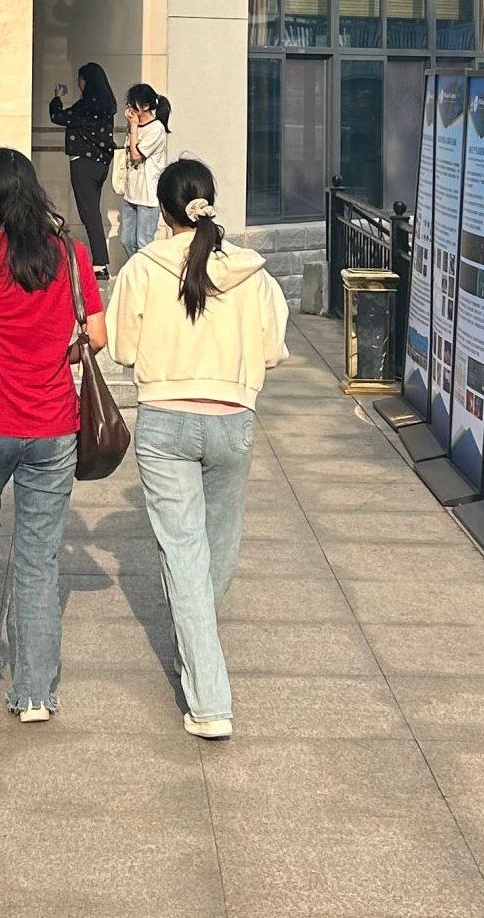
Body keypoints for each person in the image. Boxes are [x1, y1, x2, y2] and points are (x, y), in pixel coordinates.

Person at [106, 158, 287, 740]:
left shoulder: (143, 267)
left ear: (162, 211)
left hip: (165, 418)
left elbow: (123, 350)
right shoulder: (252, 273)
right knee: (218, 552)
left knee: (184, 555)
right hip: (233, 416)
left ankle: (208, 697)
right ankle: (200, 658)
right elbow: (272, 349)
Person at [0, 148, 105, 722]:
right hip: (54, 425)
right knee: (38, 559)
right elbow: (97, 337)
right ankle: (33, 691)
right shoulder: (70, 254)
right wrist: (58, 354)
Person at [49, 62, 116, 280]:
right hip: (101, 164)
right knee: (93, 212)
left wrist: (57, 98)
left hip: (83, 164)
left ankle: (100, 264)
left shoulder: (87, 105)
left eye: (80, 79)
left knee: (89, 214)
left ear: (86, 81)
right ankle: (99, 262)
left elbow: (59, 117)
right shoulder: (106, 106)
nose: (78, 84)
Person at [120, 82, 170, 258]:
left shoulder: (157, 128)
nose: (130, 108)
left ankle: (145, 272)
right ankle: (136, 270)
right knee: (126, 240)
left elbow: (136, 156)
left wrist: (133, 127)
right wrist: (132, 127)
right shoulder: (134, 125)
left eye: (133, 104)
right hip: (131, 192)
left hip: (148, 195)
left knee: (143, 242)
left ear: (146, 106)